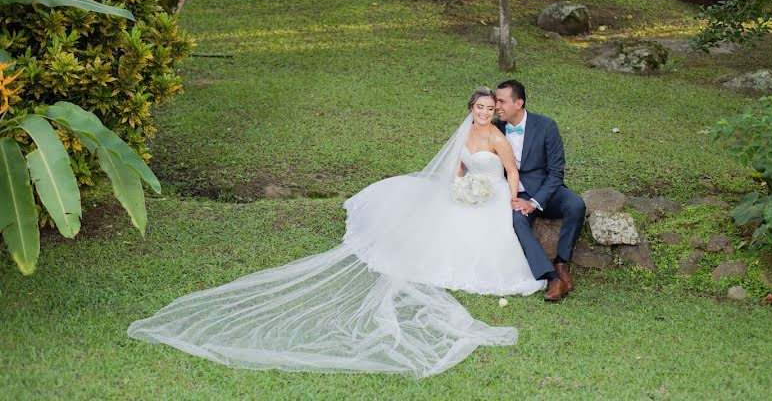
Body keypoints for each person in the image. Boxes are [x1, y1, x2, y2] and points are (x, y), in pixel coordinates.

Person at [128, 87, 542, 378]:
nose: (484, 112)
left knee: (482, 238)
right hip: (465, 191)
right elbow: (459, 167)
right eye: (480, 107)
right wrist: (456, 186)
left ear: (496, 112)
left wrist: (504, 199)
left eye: (490, 108)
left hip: (492, 198)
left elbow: (510, 173)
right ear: (471, 108)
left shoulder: (498, 138)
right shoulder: (466, 134)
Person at [494, 80, 586, 302]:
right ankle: (552, 278)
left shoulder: (546, 126)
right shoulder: (495, 128)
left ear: (519, 103)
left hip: (545, 191)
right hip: (515, 193)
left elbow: (556, 172)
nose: (497, 106)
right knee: (517, 221)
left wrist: (534, 202)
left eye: (501, 101)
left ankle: (562, 263)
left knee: (576, 205)